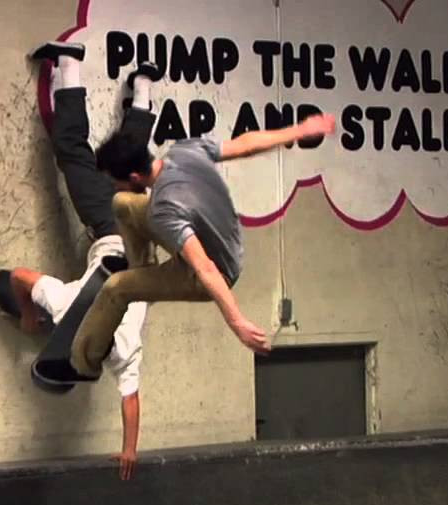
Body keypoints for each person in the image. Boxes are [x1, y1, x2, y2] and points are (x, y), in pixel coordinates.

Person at [66, 92, 337, 380]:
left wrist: (237, 322)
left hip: (214, 273)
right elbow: (244, 145)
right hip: (222, 238)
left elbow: (205, 267)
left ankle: (83, 363)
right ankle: (142, 270)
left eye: (114, 179)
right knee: (123, 204)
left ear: (134, 177)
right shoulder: (183, 151)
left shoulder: (164, 211)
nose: (112, 184)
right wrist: (300, 130)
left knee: (115, 288)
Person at [0, 41, 163, 480]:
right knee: (72, 152)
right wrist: (30, 313)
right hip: (110, 227)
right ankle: (67, 63)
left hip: (149, 240)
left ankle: (143, 88)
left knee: (125, 169)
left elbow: (131, 402)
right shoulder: (66, 306)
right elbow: (18, 277)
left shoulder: (124, 353)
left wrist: (130, 452)